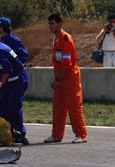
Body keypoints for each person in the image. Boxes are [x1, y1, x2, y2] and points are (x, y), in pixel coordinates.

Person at [44, 13, 87, 144]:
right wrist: (57, 79)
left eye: (53, 24)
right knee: (58, 107)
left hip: (69, 77)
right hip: (60, 78)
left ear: (60, 24)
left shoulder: (65, 38)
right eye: (49, 24)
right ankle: (56, 135)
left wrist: (58, 80)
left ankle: (81, 134)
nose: (50, 26)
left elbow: (66, 63)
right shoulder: (55, 39)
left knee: (74, 106)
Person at [0, 30, 29, 145]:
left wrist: (0, 84)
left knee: (13, 108)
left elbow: (7, 70)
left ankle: (19, 134)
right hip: (11, 81)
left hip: (17, 80)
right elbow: (4, 62)